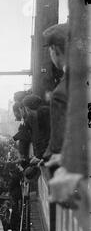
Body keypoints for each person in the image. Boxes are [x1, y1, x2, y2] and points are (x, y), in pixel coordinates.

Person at [42, 23, 69, 168]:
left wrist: (46, 158)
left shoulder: (61, 93)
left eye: (50, 50)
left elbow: (58, 148)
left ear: (55, 49)